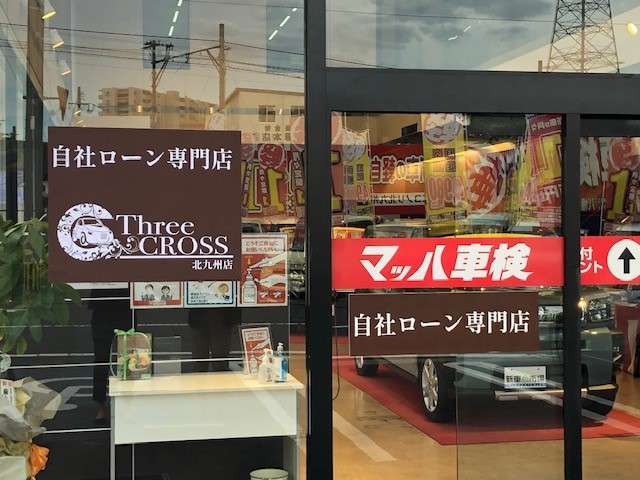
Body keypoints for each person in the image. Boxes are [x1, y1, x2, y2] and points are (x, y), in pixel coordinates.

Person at [89, 287, 132, 424]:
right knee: (101, 359)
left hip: (126, 305)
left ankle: (128, 404)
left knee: (128, 359)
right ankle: (101, 406)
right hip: (102, 307)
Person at [188, 307, 240, 372]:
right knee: (202, 358)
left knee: (218, 359)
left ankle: (202, 374)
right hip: (201, 315)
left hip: (222, 315)